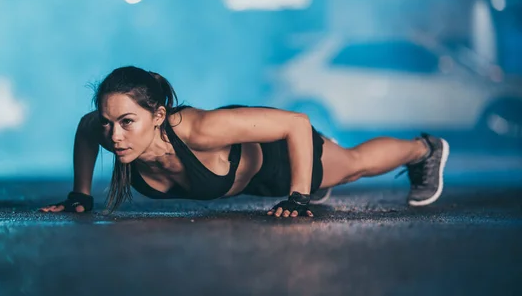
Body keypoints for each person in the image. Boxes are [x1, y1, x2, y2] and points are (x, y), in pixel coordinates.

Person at [39, 66, 449, 218]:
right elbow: (85, 128)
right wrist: (81, 194)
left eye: (127, 122)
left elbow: (297, 124)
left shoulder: (200, 131)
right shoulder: (107, 130)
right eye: (109, 123)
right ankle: (308, 184)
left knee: (354, 165)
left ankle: (425, 149)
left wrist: (299, 197)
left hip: (273, 155)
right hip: (252, 182)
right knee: (322, 179)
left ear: (158, 116)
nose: (115, 135)